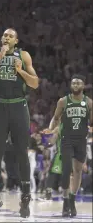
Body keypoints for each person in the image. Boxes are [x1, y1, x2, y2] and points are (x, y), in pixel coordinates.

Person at [0, 28, 39, 218]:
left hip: (18, 107)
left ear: (16, 40)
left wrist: (20, 70)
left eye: (11, 35)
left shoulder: (24, 55)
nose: (7, 37)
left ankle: (25, 198)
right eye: (5, 35)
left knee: (21, 152)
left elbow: (35, 83)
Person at [45, 74, 93, 217]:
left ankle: (72, 198)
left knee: (77, 171)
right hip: (66, 139)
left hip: (81, 140)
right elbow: (56, 117)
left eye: (78, 83)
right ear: (71, 86)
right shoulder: (63, 101)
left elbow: (91, 122)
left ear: (83, 86)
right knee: (66, 171)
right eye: (74, 83)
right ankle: (65, 201)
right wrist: (51, 128)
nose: (76, 85)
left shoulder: (89, 102)